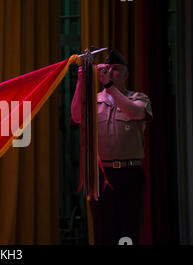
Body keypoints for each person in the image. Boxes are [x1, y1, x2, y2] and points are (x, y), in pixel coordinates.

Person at [71, 50, 153, 245]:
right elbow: (75, 116)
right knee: (103, 233)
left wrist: (109, 86)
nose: (110, 72)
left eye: (116, 69)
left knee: (128, 233)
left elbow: (135, 112)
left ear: (126, 75)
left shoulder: (138, 97)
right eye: (107, 69)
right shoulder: (95, 100)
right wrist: (82, 81)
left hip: (129, 173)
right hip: (101, 175)